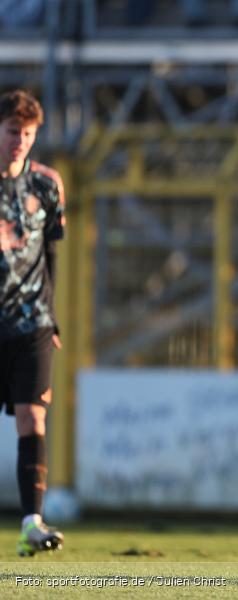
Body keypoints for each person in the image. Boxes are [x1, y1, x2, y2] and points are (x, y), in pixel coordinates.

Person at [0, 90, 66, 557]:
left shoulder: (47, 184)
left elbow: (52, 251)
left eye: (27, 134)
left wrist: (54, 316)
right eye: (11, 132)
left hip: (33, 322)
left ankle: (31, 523)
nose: (19, 142)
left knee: (33, 416)